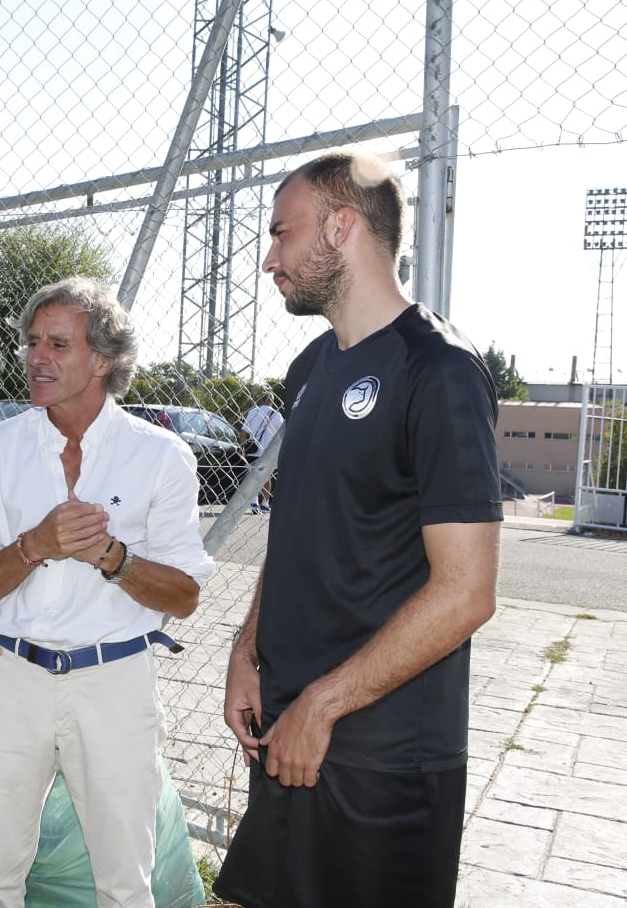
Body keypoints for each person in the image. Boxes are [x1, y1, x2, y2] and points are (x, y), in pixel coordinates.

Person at [215, 152, 502, 907]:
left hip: (382, 757)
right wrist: (250, 647)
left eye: (282, 233)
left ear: (343, 227)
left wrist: (325, 704)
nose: (269, 258)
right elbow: (299, 533)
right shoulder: (310, 368)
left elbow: (467, 593)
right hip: (292, 729)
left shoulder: (438, 370)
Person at [0, 276, 215, 908]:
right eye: (32, 343)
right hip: (12, 679)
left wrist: (111, 556)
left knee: (125, 883)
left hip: (115, 684)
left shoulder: (160, 455)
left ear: (103, 359)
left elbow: (183, 596)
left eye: (58, 344)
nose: (36, 358)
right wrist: (33, 545)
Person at [238, 391, 283, 514]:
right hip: (268, 451)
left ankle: (254, 501)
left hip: (253, 450)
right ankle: (265, 503)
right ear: (272, 401)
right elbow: (281, 434)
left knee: (253, 476)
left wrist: (242, 447)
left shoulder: (253, 412)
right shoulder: (276, 415)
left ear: (261, 400)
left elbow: (243, 432)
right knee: (266, 477)